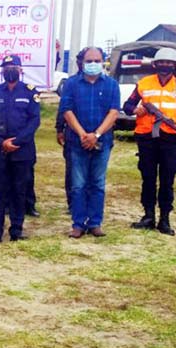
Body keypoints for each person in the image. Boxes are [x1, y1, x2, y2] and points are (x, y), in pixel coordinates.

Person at [123, 47, 176, 236]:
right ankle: (148, 216)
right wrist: (134, 110)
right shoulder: (144, 84)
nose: (165, 66)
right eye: (162, 62)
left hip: (171, 138)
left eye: (169, 63)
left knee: (167, 179)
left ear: (175, 66)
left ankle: (164, 219)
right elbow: (128, 105)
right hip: (147, 136)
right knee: (147, 177)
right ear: (155, 65)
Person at [60, 47, 120, 238]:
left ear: (103, 62)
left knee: (98, 184)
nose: (93, 64)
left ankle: (95, 223)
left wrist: (96, 134)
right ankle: (78, 224)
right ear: (82, 62)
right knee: (78, 185)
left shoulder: (111, 85)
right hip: (77, 142)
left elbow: (113, 112)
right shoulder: (71, 84)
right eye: (89, 61)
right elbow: (67, 111)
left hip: (102, 142)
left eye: (97, 60)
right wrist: (83, 135)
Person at [0, 55, 41, 243]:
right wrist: (1, 142)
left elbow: (34, 121)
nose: (10, 69)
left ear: (20, 69)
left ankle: (17, 229)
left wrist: (17, 141)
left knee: (19, 191)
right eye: (6, 66)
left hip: (22, 151)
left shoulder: (31, 93)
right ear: (1, 70)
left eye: (13, 66)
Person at [55, 49, 85, 213]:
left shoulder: (106, 83)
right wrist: (59, 129)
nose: (87, 64)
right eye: (83, 61)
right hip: (72, 133)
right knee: (72, 170)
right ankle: (72, 204)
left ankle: (88, 203)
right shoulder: (71, 83)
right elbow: (63, 108)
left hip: (96, 134)